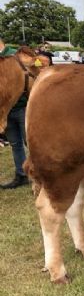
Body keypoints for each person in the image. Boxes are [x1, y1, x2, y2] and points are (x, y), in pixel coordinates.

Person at [0, 37, 29, 189]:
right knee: (15, 144)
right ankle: (21, 174)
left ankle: (40, 177)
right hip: (6, 111)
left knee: (30, 143)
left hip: (22, 107)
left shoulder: (15, 56)